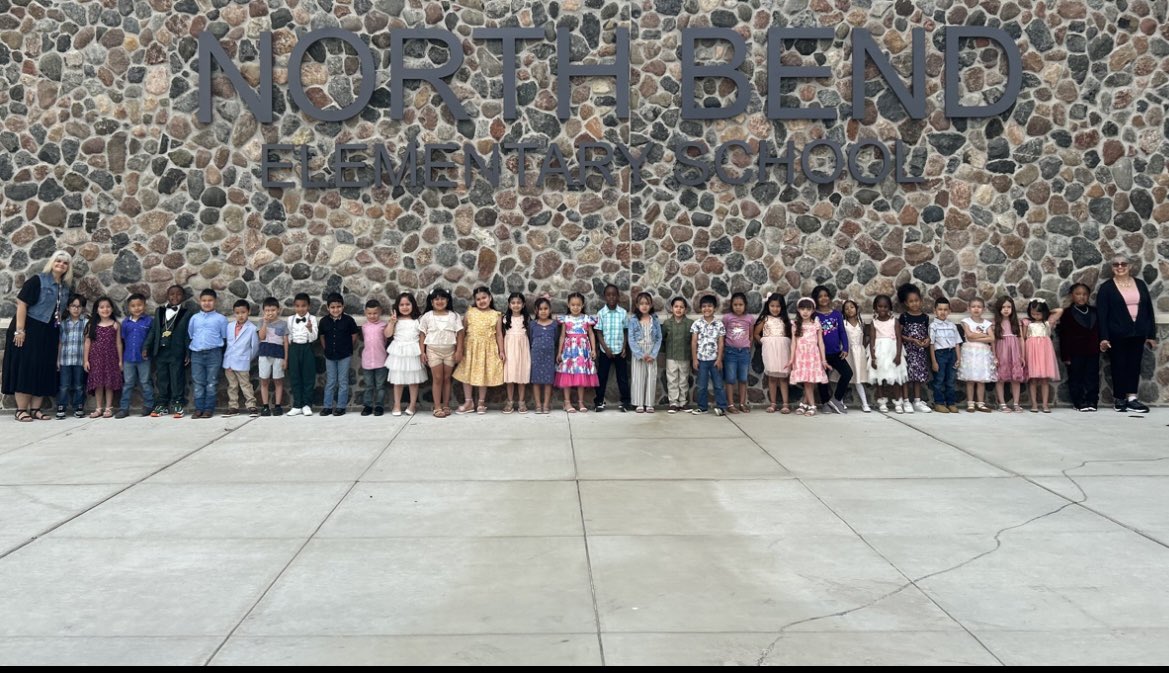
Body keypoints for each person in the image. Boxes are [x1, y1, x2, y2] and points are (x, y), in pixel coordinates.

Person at [3, 250, 73, 421]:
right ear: (52, 262)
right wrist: (20, 330)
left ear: (68, 267)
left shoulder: (65, 288)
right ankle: (21, 410)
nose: (61, 265)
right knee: (26, 367)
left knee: (44, 367)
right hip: (30, 327)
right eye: (58, 261)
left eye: (65, 263)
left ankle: (36, 409)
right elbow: (22, 304)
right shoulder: (37, 281)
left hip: (50, 330)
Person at [1097, 255, 1157, 413]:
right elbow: (1102, 315)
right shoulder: (1107, 288)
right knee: (1118, 365)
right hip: (1117, 333)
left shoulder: (1140, 284)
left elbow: (1148, 310)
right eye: (1116, 264)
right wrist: (1104, 337)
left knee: (1134, 365)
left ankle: (1132, 398)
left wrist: (1151, 334)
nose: (1120, 267)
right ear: (1112, 268)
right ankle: (1119, 399)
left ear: (1129, 266)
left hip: (1138, 332)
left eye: (1123, 264)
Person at [452, 286, 505, 414]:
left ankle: (481, 402)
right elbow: (462, 331)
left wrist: (501, 351)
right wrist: (458, 348)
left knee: (483, 374)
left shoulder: (496, 315)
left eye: (484, 298)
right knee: (467, 374)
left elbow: (498, 334)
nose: (482, 301)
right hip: (470, 349)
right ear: (475, 301)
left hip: (487, 350)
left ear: (490, 298)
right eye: (478, 299)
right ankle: (469, 401)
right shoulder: (470, 312)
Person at [146, 284, 193, 418]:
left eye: (178, 294)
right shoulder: (159, 311)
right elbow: (154, 331)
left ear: (183, 297)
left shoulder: (186, 313)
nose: (175, 297)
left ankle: (178, 402)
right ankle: (162, 403)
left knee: (177, 377)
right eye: (172, 294)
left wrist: (187, 352)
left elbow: (187, 334)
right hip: (160, 351)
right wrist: (146, 347)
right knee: (162, 378)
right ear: (167, 296)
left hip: (176, 352)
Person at [418, 287, 464, 418]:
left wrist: (459, 350)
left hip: (450, 351)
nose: (439, 301)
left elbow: (460, 334)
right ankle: (437, 406)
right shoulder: (427, 316)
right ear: (431, 302)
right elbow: (422, 335)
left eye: (442, 298)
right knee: (437, 378)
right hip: (433, 351)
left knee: (446, 378)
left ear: (447, 300)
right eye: (436, 299)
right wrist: (422, 352)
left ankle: (446, 404)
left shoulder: (454, 316)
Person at [1058, 283, 1100, 412]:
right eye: (1078, 294)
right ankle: (1078, 401)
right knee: (1076, 377)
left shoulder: (1094, 311)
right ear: (1072, 296)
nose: (1081, 297)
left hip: (1092, 351)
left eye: (1084, 294)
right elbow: (1063, 335)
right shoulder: (1067, 313)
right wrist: (1066, 355)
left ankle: (1092, 400)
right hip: (1075, 352)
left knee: (1092, 376)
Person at [187, 289, 228, 419]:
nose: (207, 303)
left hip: (214, 353)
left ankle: (209, 409)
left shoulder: (221, 319)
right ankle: (199, 408)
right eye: (204, 301)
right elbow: (191, 334)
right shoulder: (194, 318)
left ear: (215, 302)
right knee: (198, 382)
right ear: (200, 302)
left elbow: (224, 336)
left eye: (210, 300)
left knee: (212, 382)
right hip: (197, 353)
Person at [812, 285, 852, 415]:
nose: (823, 298)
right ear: (816, 299)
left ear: (829, 297)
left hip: (836, 352)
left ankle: (836, 399)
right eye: (820, 296)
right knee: (823, 379)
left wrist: (845, 348)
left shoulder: (836, 314)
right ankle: (825, 403)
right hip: (820, 354)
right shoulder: (814, 315)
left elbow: (842, 332)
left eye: (825, 295)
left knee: (847, 373)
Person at [556, 292, 599, 413]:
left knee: (581, 376)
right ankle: (567, 402)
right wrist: (559, 352)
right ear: (568, 305)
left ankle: (581, 402)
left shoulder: (586, 318)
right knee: (567, 375)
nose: (575, 307)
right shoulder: (566, 319)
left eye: (578, 305)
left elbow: (591, 334)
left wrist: (593, 350)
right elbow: (562, 336)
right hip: (569, 351)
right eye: (573, 305)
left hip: (583, 351)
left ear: (582, 305)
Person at [318, 293, 359, 417]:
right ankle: (327, 406)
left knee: (343, 381)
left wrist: (347, 346)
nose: (336, 310)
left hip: (344, 355)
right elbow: (322, 337)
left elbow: (354, 335)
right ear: (328, 308)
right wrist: (326, 349)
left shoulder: (349, 320)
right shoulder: (324, 321)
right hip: (330, 355)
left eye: (338, 307)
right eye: (333, 307)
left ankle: (341, 407)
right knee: (330, 381)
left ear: (343, 307)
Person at [386, 292, 426, 417]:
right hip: (398, 351)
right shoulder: (395, 320)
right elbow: (387, 334)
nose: (404, 307)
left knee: (413, 380)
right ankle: (397, 404)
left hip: (413, 350)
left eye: (407, 304)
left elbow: (421, 337)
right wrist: (392, 322)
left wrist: (422, 352)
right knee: (398, 380)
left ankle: (412, 404)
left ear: (413, 305)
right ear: (397, 307)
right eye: (401, 304)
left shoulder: (417, 320)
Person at [789, 297, 830, 417]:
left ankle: (811, 406)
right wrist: (791, 359)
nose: (805, 312)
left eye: (808, 309)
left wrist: (823, 360)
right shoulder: (795, 324)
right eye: (802, 309)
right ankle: (805, 403)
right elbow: (793, 343)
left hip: (813, 356)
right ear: (798, 310)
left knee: (809, 382)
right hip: (801, 356)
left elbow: (821, 343)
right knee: (807, 382)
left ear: (813, 310)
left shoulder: (816, 324)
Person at [594, 283, 631, 412]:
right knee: (602, 377)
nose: (611, 297)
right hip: (606, 351)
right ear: (605, 297)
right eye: (609, 295)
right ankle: (599, 401)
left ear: (618, 296)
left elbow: (626, 330)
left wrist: (625, 347)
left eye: (614, 295)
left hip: (620, 350)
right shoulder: (601, 313)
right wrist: (605, 348)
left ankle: (625, 401)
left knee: (622, 377)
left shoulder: (623, 313)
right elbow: (598, 332)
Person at [84, 296, 123, 419]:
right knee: (98, 383)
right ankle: (98, 408)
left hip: (111, 358)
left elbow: (118, 343)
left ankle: (109, 408)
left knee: (109, 383)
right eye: (102, 307)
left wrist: (121, 360)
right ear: (97, 310)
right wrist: (85, 360)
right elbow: (87, 343)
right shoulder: (92, 325)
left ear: (112, 309)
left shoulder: (116, 325)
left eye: (107, 307)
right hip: (96, 359)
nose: (105, 309)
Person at [116, 293, 154, 419]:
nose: (136, 308)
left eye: (139, 305)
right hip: (128, 359)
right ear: (129, 308)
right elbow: (123, 339)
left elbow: (151, 339)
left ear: (144, 305)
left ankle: (148, 406)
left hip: (144, 359)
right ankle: (124, 408)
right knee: (128, 383)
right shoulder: (125, 323)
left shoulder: (149, 321)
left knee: (145, 382)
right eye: (133, 306)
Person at [1022, 299, 1063, 413]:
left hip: (1045, 352)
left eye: (1038, 313)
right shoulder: (1028, 323)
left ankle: (1045, 404)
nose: (1035, 315)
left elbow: (1060, 311)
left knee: (1045, 380)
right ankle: (1034, 404)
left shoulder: (1048, 322)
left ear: (1044, 312)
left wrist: (1048, 311)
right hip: (1032, 351)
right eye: (1033, 313)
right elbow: (1024, 337)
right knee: (1033, 379)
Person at [689, 294, 728, 416]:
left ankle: (721, 407)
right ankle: (702, 407)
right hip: (701, 360)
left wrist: (719, 359)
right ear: (701, 308)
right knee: (701, 385)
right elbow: (694, 342)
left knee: (718, 385)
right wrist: (695, 359)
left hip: (715, 361)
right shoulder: (697, 324)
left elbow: (721, 343)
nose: (707, 309)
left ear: (715, 308)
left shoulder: (719, 324)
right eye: (704, 306)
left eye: (710, 306)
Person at [868, 294, 907, 413]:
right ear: (875, 308)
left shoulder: (894, 321)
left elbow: (899, 338)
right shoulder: (874, 322)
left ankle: (898, 402)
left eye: (885, 307)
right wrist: (873, 358)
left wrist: (898, 355)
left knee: (894, 377)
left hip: (892, 350)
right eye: (880, 306)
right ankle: (882, 402)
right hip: (879, 351)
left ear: (889, 308)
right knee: (880, 379)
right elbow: (872, 340)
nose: (882, 309)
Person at [754, 292, 792, 414]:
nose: (775, 309)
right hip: (770, 350)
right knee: (772, 377)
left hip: (783, 350)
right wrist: (764, 342)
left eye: (778, 306)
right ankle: (773, 403)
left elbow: (790, 335)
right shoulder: (765, 319)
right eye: (772, 306)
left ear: (782, 307)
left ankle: (785, 404)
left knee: (783, 378)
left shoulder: (785, 320)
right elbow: (756, 333)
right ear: (768, 306)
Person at [896, 283, 931, 414]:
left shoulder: (925, 317)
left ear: (921, 300)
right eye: (911, 301)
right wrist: (912, 340)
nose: (915, 303)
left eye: (916, 300)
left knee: (918, 376)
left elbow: (927, 333)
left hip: (920, 352)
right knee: (906, 376)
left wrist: (927, 340)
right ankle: (906, 401)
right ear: (906, 303)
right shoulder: (904, 317)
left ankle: (917, 400)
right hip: (908, 351)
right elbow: (900, 335)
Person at [222, 299, 260, 417]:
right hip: (229, 361)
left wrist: (247, 358)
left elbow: (255, 348)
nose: (240, 315)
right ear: (234, 313)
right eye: (237, 313)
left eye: (243, 312)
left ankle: (251, 405)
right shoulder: (229, 326)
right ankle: (233, 407)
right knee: (232, 385)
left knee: (245, 384)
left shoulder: (252, 328)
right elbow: (227, 343)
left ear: (248, 312)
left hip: (243, 362)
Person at [958, 298, 996, 413]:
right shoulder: (966, 321)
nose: (976, 309)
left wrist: (977, 336)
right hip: (971, 353)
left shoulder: (987, 323)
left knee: (981, 379)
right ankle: (970, 403)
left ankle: (980, 403)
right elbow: (969, 336)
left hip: (983, 354)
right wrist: (984, 335)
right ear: (969, 308)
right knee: (970, 379)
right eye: (973, 306)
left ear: (983, 309)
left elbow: (992, 338)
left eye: (979, 307)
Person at [722, 292, 757, 414]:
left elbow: (751, 335)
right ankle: (730, 404)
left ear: (745, 305)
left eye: (740, 304)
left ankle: (742, 403)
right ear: (731, 305)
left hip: (744, 353)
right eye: (735, 304)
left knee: (743, 378)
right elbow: (723, 334)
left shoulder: (749, 319)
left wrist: (747, 347)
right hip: (730, 352)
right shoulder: (727, 318)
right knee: (730, 379)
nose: (738, 307)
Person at [628, 292, 662, 413]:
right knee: (638, 377)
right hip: (639, 352)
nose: (644, 306)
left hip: (651, 351)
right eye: (641, 303)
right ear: (637, 305)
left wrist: (653, 354)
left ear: (651, 305)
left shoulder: (655, 320)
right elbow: (631, 338)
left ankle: (649, 403)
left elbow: (659, 338)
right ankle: (639, 403)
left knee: (651, 377)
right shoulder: (633, 320)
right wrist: (640, 354)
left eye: (647, 303)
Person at [285, 292, 318, 417]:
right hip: (294, 348)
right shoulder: (290, 319)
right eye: (298, 306)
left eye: (303, 306)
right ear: (294, 306)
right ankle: (297, 405)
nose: (301, 309)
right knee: (295, 376)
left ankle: (306, 405)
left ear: (308, 306)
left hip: (307, 347)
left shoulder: (313, 319)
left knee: (308, 377)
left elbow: (314, 337)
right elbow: (288, 336)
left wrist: (310, 329)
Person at [928, 297, 963, 414]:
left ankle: (951, 403)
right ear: (935, 311)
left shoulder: (952, 326)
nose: (942, 312)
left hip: (951, 354)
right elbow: (931, 345)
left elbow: (957, 343)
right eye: (940, 309)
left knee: (951, 380)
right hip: (940, 355)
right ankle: (939, 403)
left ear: (949, 311)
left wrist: (958, 358)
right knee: (939, 380)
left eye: (945, 309)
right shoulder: (933, 326)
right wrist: (934, 361)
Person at [56, 296, 88, 419]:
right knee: (64, 385)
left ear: (82, 308)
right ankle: (61, 406)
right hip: (65, 360)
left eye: (79, 306)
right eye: (73, 306)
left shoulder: (85, 322)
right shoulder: (63, 323)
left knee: (79, 385)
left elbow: (87, 342)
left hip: (79, 360)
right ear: (68, 308)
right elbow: (60, 342)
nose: (76, 309)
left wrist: (86, 360)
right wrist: (57, 359)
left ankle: (78, 406)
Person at [992, 296, 1026, 413]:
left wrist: (1022, 356)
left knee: (1015, 378)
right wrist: (994, 356)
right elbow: (993, 341)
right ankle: (1002, 403)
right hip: (1002, 352)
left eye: (1009, 307)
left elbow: (1021, 339)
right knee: (1000, 378)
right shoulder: (995, 323)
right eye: (1003, 307)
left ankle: (1016, 403)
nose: (1006, 309)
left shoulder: (1016, 323)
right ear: (999, 309)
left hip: (1015, 352)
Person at [660, 297, 694, 413]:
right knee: (672, 379)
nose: (678, 309)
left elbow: (692, 340)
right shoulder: (667, 323)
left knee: (684, 379)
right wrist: (665, 351)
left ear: (685, 309)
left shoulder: (690, 324)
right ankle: (673, 403)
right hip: (671, 356)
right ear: (672, 308)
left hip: (685, 356)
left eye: (681, 307)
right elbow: (662, 339)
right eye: (676, 306)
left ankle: (683, 402)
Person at [256, 297, 288, 416]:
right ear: (264, 311)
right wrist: (265, 322)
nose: (270, 313)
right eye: (267, 310)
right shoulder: (261, 322)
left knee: (278, 380)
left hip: (278, 355)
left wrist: (285, 358)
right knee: (264, 380)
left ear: (278, 310)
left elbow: (285, 342)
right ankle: (265, 406)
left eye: (273, 310)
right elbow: (262, 337)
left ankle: (278, 406)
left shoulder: (283, 324)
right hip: (264, 354)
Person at [502, 292, 532, 414]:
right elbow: (501, 335)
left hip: (522, 348)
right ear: (509, 305)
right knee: (510, 375)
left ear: (523, 304)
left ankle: (521, 401)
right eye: (513, 303)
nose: (516, 305)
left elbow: (530, 334)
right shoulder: (505, 319)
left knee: (522, 374)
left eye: (519, 303)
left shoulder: (527, 319)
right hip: (509, 348)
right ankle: (510, 401)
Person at [528, 297, 559, 415]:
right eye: (540, 309)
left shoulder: (554, 325)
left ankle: (546, 404)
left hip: (549, 356)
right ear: (536, 311)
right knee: (536, 380)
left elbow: (556, 339)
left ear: (550, 310)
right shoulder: (532, 325)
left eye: (546, 308)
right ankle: (538, 405)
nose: (543, 311)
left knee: (548, 381)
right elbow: (531, 339)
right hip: (536, 356)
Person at [359, 299, 389, 417]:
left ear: (380, 312)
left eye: (375, 313)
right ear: (365, 313)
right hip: (367, 362)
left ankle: (379, 406)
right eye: (369, 313)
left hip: (381, 361)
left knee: (380, 386)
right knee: (368, 385)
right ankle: (367, 406)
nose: (372, 316)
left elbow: (386, 338)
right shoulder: (364, 327)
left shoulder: (383, 326)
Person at [841, 299, 869, 412]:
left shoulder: (861, 323)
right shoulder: (843, 323)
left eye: (851, 307)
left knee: (858, 379)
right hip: (847, 353)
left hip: (858, 353)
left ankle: (865, 403)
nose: (849, 310)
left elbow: (865, 337)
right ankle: (840, 401)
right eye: (846, 308)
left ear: (856, 308)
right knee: (844, 379)